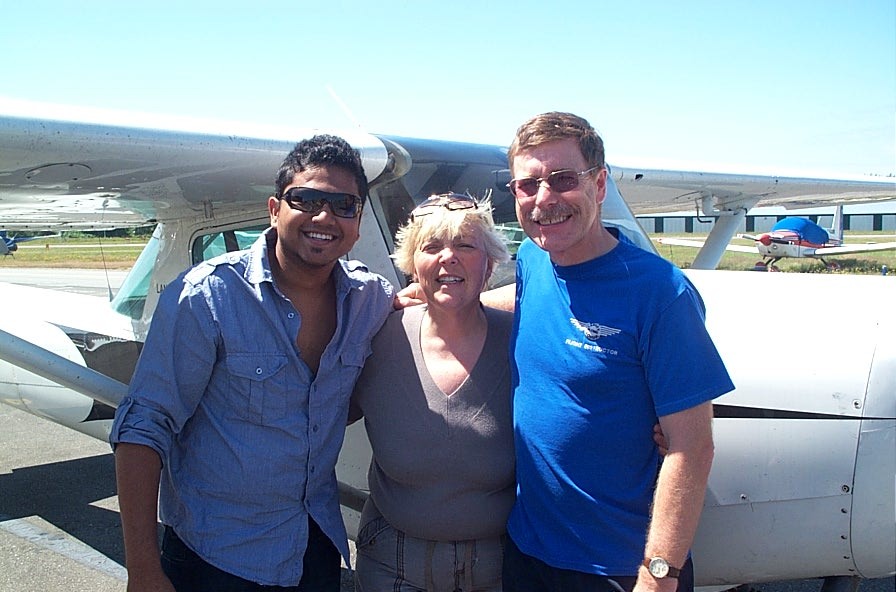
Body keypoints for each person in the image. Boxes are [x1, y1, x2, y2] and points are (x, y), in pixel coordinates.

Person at [110, 134, 395, 592]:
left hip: (314, 550)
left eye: (344, 205)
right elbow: (144, 428)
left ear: (358, 221)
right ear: (274, 208)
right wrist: (142, 571)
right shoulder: (205, 296)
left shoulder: (371, 299)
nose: (325, 217)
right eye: (306, 199)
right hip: (215, 558)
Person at [499, 112, 735, 592]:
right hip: (529, 553)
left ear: (600, 184)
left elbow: (692, 447)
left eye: (564, 180)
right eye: (528, 185)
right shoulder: (531, 259)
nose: (545, 199)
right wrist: (436, 299)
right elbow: (524, 302)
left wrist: (659, 574)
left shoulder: (660, 293)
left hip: (620, 569)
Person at [348, 193, 514, 592]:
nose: (448, 257)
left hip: (503, 564)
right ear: (411, 264)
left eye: (465, 245)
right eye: (432, 246)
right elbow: (314, 407)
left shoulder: (522, 341)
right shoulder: (375, 336)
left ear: (489, 263)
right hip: (395, 561)